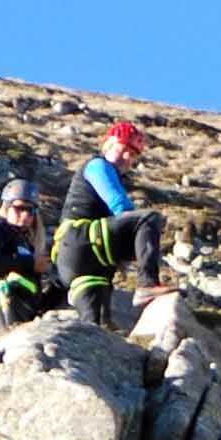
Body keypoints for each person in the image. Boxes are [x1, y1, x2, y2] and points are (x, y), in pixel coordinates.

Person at [56, 120, 165, 330]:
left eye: (133, 155)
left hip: (73, 261)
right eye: (124, 149)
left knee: (98, 326)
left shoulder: (102, 169)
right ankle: (147, 285)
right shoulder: (98, 166)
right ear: (109, 144)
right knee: (147, 218)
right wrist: (135, 238)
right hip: (83, 239)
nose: (128, 158)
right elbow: (120, 205)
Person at [0, 180, 59, 339]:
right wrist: (31, 264)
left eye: (30, 210)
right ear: (6, 206)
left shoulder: (25, 240)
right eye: (19, 208)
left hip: (24, 309)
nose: (25, 215)